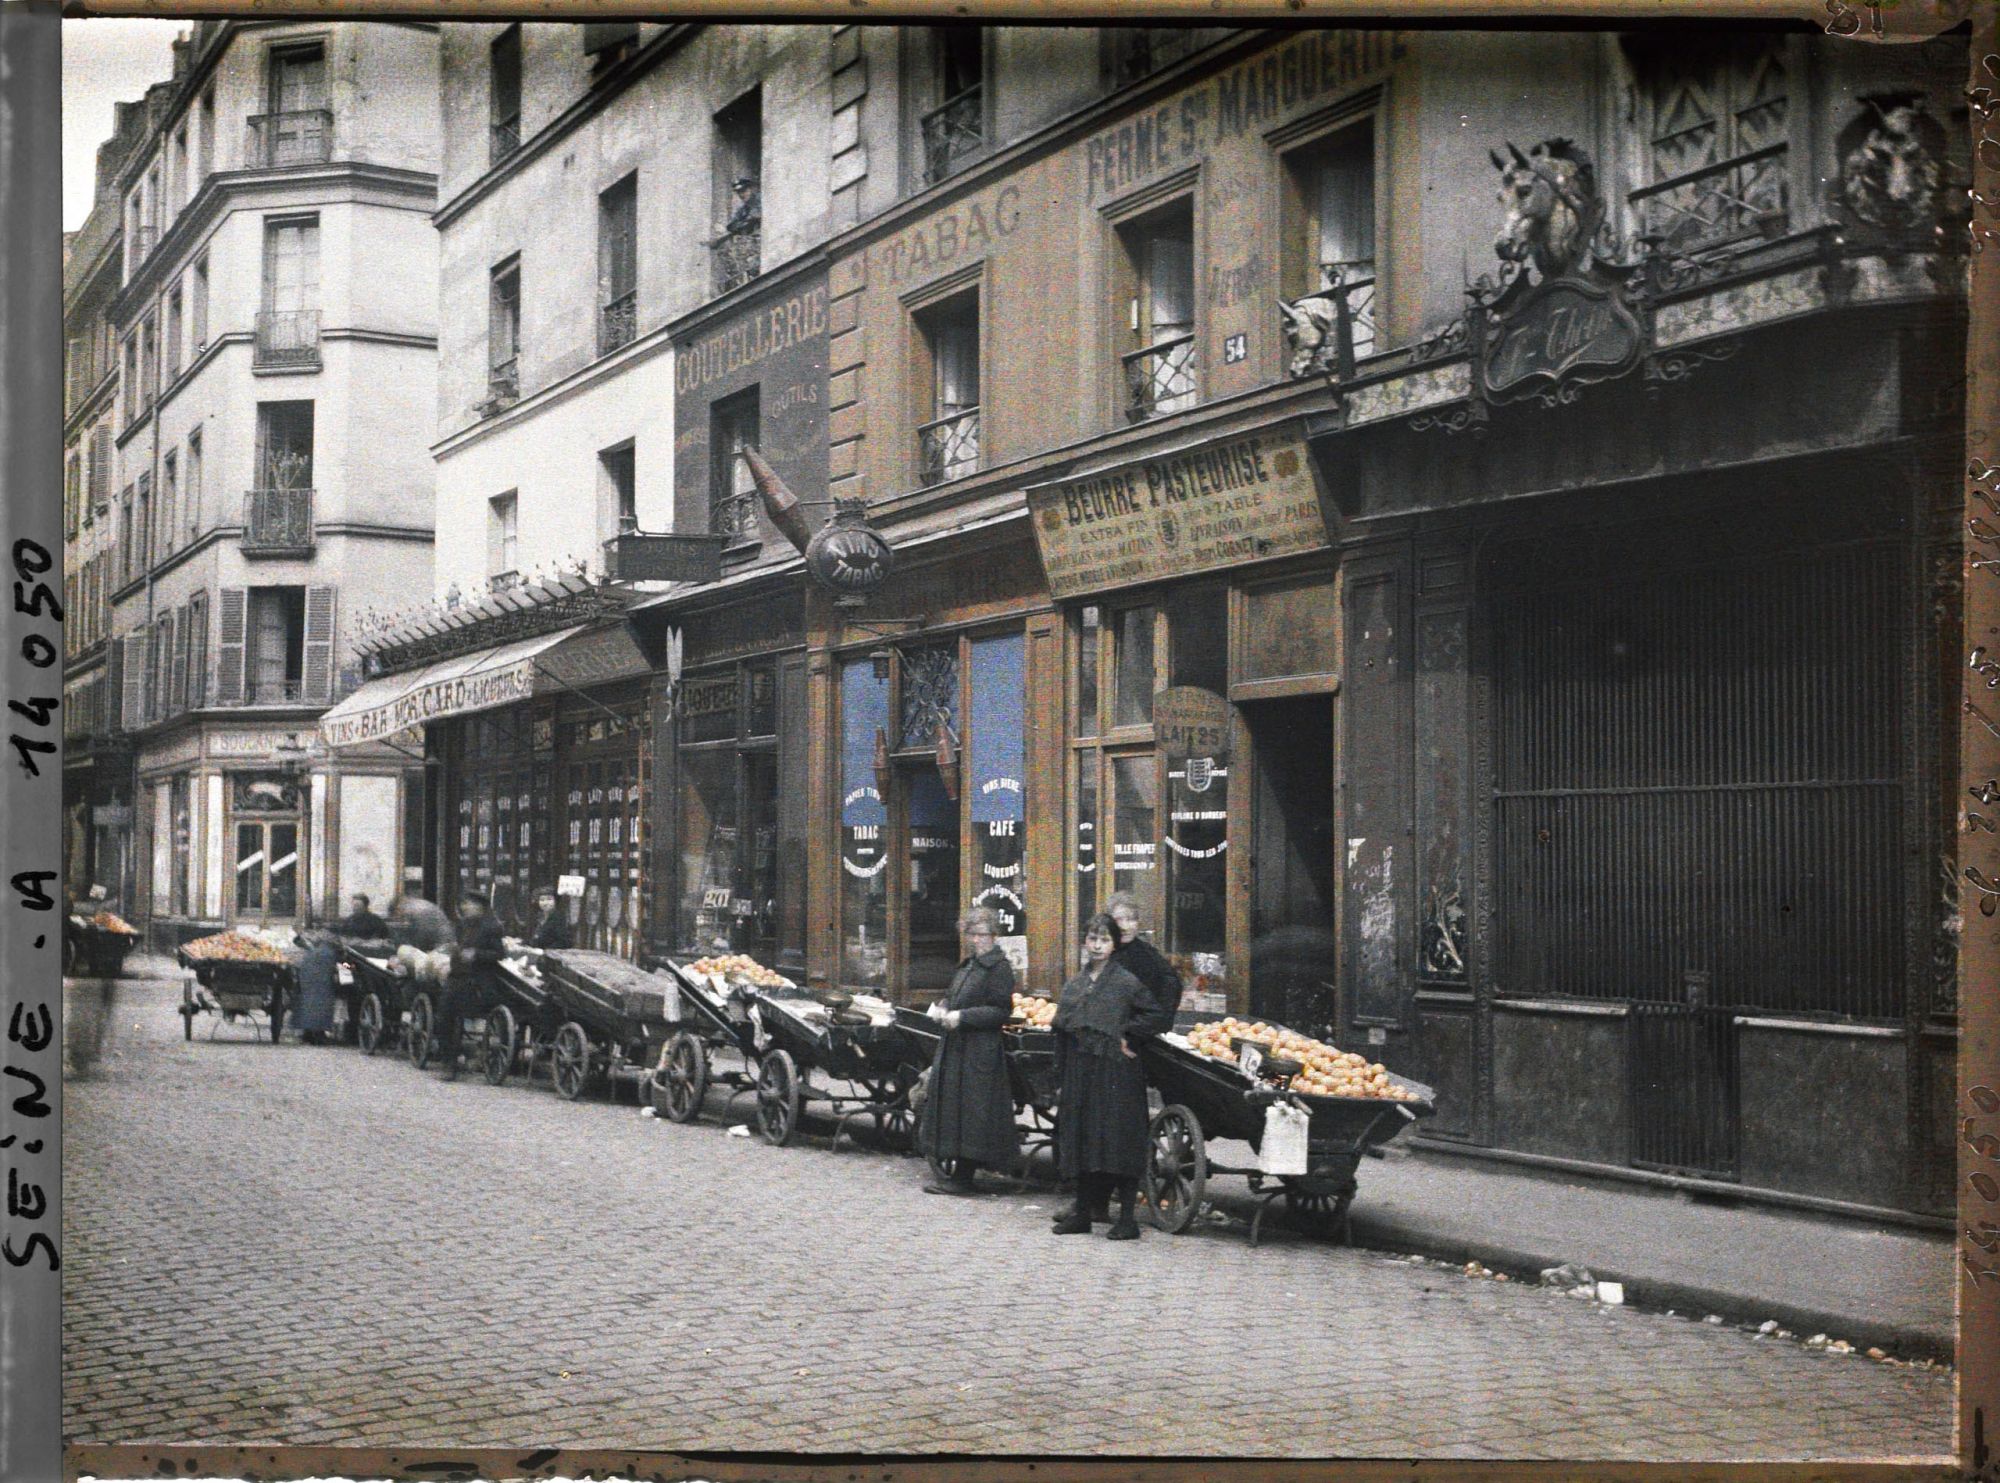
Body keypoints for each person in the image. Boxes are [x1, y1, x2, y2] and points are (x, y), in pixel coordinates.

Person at [1050, 912, 1176, 1240]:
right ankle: (1082, 1213)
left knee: (1117, 1139)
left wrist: (1129, 1036)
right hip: (1081, 1070)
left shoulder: (1125, 981)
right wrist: (1060, 1074)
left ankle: (1127, 1220)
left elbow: (1156, 1014)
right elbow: (1061, 1028)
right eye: (1092, 939)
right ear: (1084, 942)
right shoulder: (1075, 983)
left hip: (1115, 1071)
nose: (1096, 945)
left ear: (1114, 944)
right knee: (1081, 1135)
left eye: (1104, 939)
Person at [916, 907, 1021, 1196]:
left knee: (973, 1114)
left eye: (982, 934)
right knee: (957, 1110)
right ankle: (959, 1174)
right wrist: (944, 1007)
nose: (977, 940)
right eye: (972, 934)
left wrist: (963, 1017)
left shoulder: (999, 968)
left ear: (994, 936)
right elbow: (954, 995)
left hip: (979, 1052)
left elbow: (1000, 1010)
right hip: (958, 1048)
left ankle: (964, 1176)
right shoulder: (969, 965)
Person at [435, 892, 506, 1072]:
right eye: (463, 904)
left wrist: (477, 954)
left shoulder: (491, 927)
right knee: (443, 1015)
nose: (464, 908)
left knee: (453, 1008)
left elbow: (499, 954)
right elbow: (458, 947)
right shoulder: (462, 925)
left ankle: (458, 1057)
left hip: (477, 980)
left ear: (480, 907)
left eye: (468, 904)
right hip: (457, 976)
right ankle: (448, 1059)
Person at [1105, 891, 1185, 1017]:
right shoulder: (1101, 950)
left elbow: (1171, 988)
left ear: (1138, 923)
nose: (1125, 926)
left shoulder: (1148, 956)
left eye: (1131, 919)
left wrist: (1142, 1026)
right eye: (1118, 920)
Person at [388, 892, 455, 953]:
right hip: (446, 944)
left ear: (397, 909)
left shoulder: (411, 910)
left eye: (397, 916)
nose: (399, 920)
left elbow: (422, 934)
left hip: (441, 947)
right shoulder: (416, 905)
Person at [524, 885, 571, 956]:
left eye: (549, 899)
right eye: (542, 900)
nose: (545, 903)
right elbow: (538, 939)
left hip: (553, 956)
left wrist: (545, 951)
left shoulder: (558, 917)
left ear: (555, 901)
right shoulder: (540, 916)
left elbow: (563, 942)